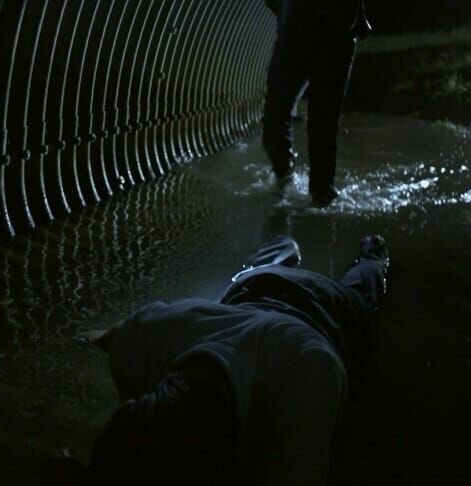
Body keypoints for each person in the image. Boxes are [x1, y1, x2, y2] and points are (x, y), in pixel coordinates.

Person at [81, 234, 390, 485]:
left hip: (332, 310)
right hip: (258, 284)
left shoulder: (306, 385)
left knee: (364, 291)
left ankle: (373, 257)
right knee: (251, 274)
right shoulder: (144, 339)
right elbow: (109, 336)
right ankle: (281, 247)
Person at [262, 0, 372, 206]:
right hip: (294, 36)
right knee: (274, 117)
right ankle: (284, 170)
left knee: (322, 125)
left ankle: (321, 196)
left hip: (336, 37)